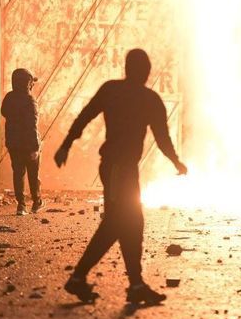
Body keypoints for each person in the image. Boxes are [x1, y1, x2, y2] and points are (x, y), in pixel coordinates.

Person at [55, 48, 187, 305]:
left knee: (132, 223)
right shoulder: (150, 99)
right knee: (118, 222)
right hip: (120, 168)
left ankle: (135, 285)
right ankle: (80, 277)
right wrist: (176, 161)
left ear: (127, 68)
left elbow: (85, 116)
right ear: (147, 72)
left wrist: (66, 144)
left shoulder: (111, 90)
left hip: (119, 168)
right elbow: (162, 138)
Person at [1, 68, 45, 216]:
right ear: (28, 83)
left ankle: (21, 205)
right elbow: (32, 125)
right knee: (33, 173)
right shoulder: (30, 100)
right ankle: (36, 202)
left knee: (18, 173)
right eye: (31, 82)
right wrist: (35, 147)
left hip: (13, 144)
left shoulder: (9, 98)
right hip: (29, 144)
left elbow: (4, 112)